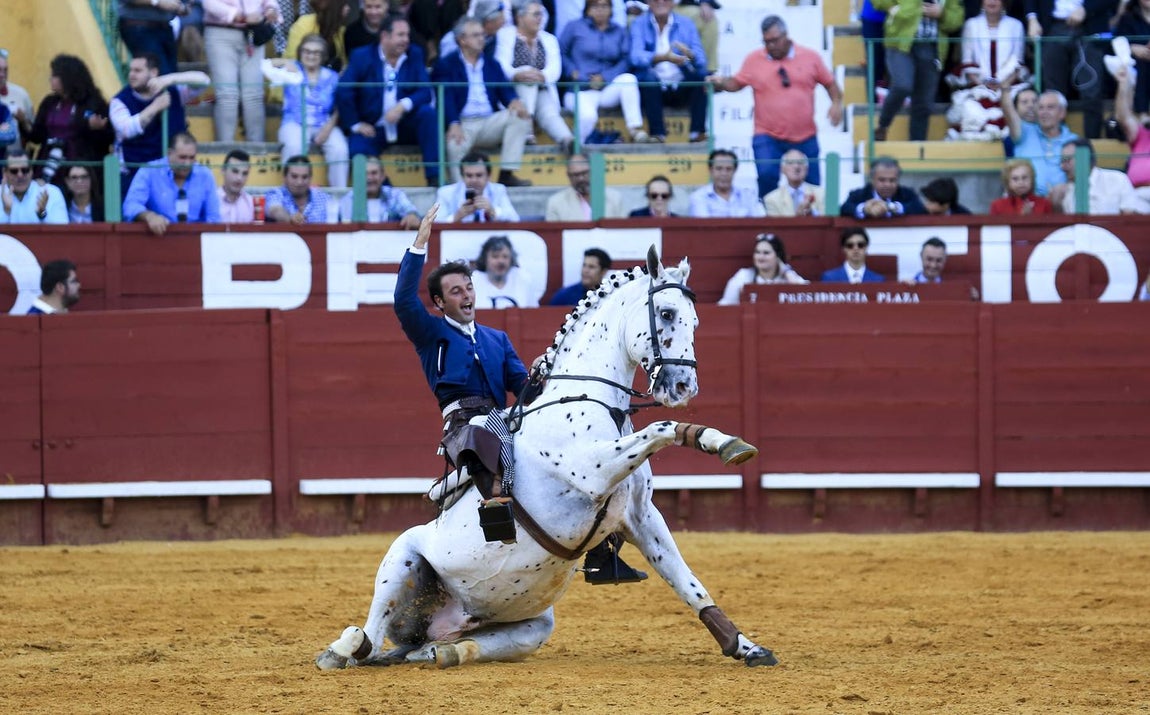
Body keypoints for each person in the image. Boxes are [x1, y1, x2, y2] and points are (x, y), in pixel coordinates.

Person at [395, 203, 645, 584]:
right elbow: (403, 301)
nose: (465, 296)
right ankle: (497, 512)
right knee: (486, 428)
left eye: (468, 287)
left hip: (505, 416)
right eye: (455, 291)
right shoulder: (431, 335)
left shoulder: (498, 339)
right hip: (465, 423)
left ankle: (601, 549)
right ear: (440, 303)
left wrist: (542, 377)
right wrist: (419, 245)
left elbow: (523, 389)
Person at [706, 15, 843, 198]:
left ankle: (810, 224)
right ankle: (768, 221)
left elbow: (831, 84)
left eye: (775, 41)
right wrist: (722, 82)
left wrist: (836, 104)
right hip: (767, 134)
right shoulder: (754, 59)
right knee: (766, 176)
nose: (771, 46)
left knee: (812, 185)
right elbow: (736, 84)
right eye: (766, 42)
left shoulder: (811, 57)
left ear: (786, 36)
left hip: (805, 135)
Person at [337, 14, 439, 188]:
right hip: (374, 126)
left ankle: (434, 179)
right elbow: (344, 91)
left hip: (404, 124)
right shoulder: (361, 56)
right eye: (400, 35)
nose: (406, 40)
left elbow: (425, 92)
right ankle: (388, 192)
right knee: (357, 150)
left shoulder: (415, 54)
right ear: (384, 36)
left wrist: (402, 105)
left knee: (427, 115)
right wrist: (355, 124)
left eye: (407, 35)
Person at [432, 17, 534, 186]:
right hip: (463, 123)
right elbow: (445, 97)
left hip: (489, 122)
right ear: (462, 40)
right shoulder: (446, 64)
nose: (482, 39)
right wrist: (453, 122)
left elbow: (505, 89)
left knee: (520, 117)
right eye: (475, 35)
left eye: (482, 35)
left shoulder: (491, 63)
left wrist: (514, 101)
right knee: (453, 145)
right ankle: (460, 189)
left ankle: (506, 174)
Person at [109, 53, 209, 191]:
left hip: (173, 173)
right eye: (131, 70)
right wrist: (155, 107)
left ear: (153, 72)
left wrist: (169, 79)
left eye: (138, 71)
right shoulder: (120, 101)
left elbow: (203, 81)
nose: (131, 75)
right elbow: (126, 129)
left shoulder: (173, 92)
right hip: (135, 175)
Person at [870, 0, 965, 141]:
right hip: (899, 42)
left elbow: (956, 19)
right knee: (902, 85)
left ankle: (917, 148)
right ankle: (883, 125)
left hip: (932, 47)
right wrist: (894, 8)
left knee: (924, 103)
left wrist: (942, 14)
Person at [1024, 0, 1119, 139]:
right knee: (1053, 93)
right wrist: (1032, 17)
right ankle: (1053, 144)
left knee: (1091, 91)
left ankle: (1091, 146)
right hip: (1053, 26)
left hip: (1089, 27)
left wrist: (1086, 8)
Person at [559, 0, 647, 144]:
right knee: (587, 117)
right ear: (587, 9)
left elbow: (626, 59)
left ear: (611, 9)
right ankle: (576, 149)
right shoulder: (574, 27)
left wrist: (606, 77)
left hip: (606, 89)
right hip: (579, 90)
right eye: (595, 6)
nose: (600, 10)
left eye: (604, 6)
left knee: (629, 79)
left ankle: (635, 130)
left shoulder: (619, 31)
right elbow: (561, 52)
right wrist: (572, 71)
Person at [494, 1, 574, 152]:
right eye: (535, 14)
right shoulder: (505, 34)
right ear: (520, 17)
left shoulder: (549, 39)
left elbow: (555, 69)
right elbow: (501, 64)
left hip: (542, 88)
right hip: (514, 92)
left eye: (541, 15)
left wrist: (541, 76)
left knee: (549, 113)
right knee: (527, 77)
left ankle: (567, 140)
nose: (540, 19)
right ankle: (526, 125)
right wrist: (518, 74)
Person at [274, 35, 349, 188]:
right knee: (294, 147)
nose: (311, 55)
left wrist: (328, 128)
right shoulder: (291, 70)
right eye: (306, 51)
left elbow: (340, 106)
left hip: (323, 123)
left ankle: (338, 198)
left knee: (340, 149)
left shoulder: (332, 77)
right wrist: (285, 62)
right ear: (300, 52)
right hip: (294, 123)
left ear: (323, 56)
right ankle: (290, 196)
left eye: (316, 52)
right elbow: (264, 65)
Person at [28, 55, 114, 187]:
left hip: (79, 170)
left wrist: (92, 128)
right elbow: (37, 136)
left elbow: (108, 138)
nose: (50, 79)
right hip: (48, 165)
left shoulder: (94, 103)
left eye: (55, 75)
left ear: (68, 77)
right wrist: (23, 122)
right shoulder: (49, 102)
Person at [630, 0, 708, 144]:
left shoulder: (686, 23)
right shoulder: (639, 23)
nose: (660, 1)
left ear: (673, 2)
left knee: (701, 77)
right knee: (647, 78)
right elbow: (635, 57)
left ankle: (697, 133)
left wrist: (690, 55)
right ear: (648, 2)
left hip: (679, 85)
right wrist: (662, 58)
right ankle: (658, 134)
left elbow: (701, 60)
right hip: (652, 87)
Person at [203, 0, 280, 144]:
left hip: (254, 33)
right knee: (227, 95)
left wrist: (271, 9)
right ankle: (224, 149)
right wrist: (237, 15)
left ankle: (257, 149)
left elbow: (270, 2)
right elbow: (209, 3)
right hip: (220, 33)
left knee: (254, 95)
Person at [123, 132, 221, 234]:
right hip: (157, 240)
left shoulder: (205, 174)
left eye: (192, 158)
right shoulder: (149, 171)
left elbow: (214, 219)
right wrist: (149, 216)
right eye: (182, 157)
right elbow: (130, 206)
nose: (187, 163)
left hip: (194, 241)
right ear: (170, 153)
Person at [999, 72, 1076, 196]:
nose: (1044, 112)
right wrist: (1005, 90)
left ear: (1062, 113)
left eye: (1050, 107)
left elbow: (1074, 172)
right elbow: (1009, 114)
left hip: (1062, 201)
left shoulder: (1072, 141)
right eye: (1040, 108)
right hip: (1026, 197)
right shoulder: (1024, 132)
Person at [1049, 138, 1142, 215]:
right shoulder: (1066, 192)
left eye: (1066, 160)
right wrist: (1057, 206)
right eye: (1061, 161)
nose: (1062, 166)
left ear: (1084, 158)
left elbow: (1130, 217)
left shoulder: (1117, 179)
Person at [717, 233, 808, 305]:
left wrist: (786, 271)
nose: (760, 257)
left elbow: (808, 295)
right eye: (757, 252)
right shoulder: (744, 276)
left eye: (766, 253)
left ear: (778, 257)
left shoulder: (789, 277)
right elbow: (725, 306)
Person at [434, 151, 521, 223]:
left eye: (479, 175)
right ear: (462, 176)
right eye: (469, 175)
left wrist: (493, 211)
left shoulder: (498, 190)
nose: (474, 180)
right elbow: (435, 224)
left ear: (488, 176)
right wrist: (457, 216)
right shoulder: (446, 193)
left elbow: (515, 219)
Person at [337, 155, 421, 227]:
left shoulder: (395, 195)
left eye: (374, 173)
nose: (369, 178)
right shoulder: (347, 200)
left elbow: (411, 212)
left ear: (383, 176)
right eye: (364, 174)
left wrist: (412, 216)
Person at [1113, 64, 1150, 213]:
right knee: (1129, 209)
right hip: (1138, 193)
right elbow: (1123, 117)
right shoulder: (1143, 134)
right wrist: (1123, 84)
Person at [544, 153, 625, 221]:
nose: (581, 179)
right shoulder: (555, 203)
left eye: (585, 173)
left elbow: (624, 232)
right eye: (576, 175)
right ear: (569, 176)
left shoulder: (615, 198)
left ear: (593, 171)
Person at [838, 157, 927, 218]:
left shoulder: (908, 194)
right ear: (872, 179)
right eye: (882, 180)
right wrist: (865, 209)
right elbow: (844, 209)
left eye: (892, 180)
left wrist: (891, 207)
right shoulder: (858, 195)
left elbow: (920, 208)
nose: (887, 184)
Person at [117, 0, 188, 76]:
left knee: (170, 75)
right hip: (139, 25)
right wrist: (157, 2)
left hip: (164, 26)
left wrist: (182, 6)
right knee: (160, 73)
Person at [687, 149, 765, 218]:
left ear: (735, 170)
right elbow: (703, 228)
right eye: (719, 169)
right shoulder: (698, 197)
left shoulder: (748, 196)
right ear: (710, 170)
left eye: (728, 169)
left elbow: (760, 222)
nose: (724, 173)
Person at [0, 148, 68, 224]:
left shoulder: (51, 192)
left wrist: (41, 214)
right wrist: (6, 212)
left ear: (31, 170)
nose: (20, 175)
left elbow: (61, 232)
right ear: (4, 172)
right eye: (14, 171)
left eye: (25, 170)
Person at [471, 234, 540, 308]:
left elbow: (534, 311)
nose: (501, 261)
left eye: (505, 256)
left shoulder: (522, 278)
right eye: (495, 256)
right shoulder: (474, 281)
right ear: (485, 259)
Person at [265, 154, 332, 223]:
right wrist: (290, 218)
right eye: (294, 176)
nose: (299, 182)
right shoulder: (275, 194)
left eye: (304, 177)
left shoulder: (324, 198)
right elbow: (275, 210)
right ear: (284, 177)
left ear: (310, 178)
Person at [285, 0, 349, 72]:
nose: (348, 8)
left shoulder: (341, 31)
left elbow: (344, 63)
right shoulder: (304, 23)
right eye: (344, 5)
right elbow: (292, 59)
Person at [1115, 0, 1150, 126]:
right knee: (1140, 63)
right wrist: (1131, 48)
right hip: (1137, 64)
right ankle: (1142, 113)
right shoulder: (1128, 18)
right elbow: (1116, 41)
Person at [762, 149, 824, 217]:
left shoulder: (822, 194)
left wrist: (811, 214)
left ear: (807, 168)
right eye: (790, 163)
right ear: (782, 169)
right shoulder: (771, 199)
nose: (796, 167)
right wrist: (797, 216)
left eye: (800, 162)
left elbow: (826, 222)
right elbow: (776, 226)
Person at [988, 157, 1055, 215]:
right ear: (1008, 182)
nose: (1021, 182)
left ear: (1032, 179)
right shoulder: (997, 205)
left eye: (1024, 177)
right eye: (1015, 179)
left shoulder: (1044, 203)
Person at [821, 227, 885, 283]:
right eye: (850, 245)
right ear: (844, 249)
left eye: (860, 245)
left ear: (866, 247)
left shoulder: (878, 280)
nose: (855, 249)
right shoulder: (829, 278)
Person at [0, 50, 34, 148]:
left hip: (14, 160)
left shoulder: (21, 94)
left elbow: (34, 133)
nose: (2, 75)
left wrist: (23, 121)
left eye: (5, 70)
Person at [217, 149, 255, 223]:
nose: (239, 178)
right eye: (235, 171)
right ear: (223, 170)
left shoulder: (251, 203)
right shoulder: (212, 201)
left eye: (244, 173)